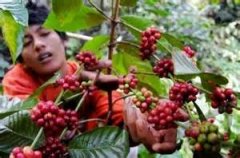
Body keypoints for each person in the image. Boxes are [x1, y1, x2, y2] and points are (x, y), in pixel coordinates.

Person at [2, 1, 180, 155]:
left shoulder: (92, 79)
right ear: (21, 59)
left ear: (63, 38)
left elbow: (117, 120)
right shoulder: (16, 79)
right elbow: (25, 129)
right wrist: (78, 82)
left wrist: (142, 125)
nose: (39, 45)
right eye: (26, 42)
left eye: (45, 33)